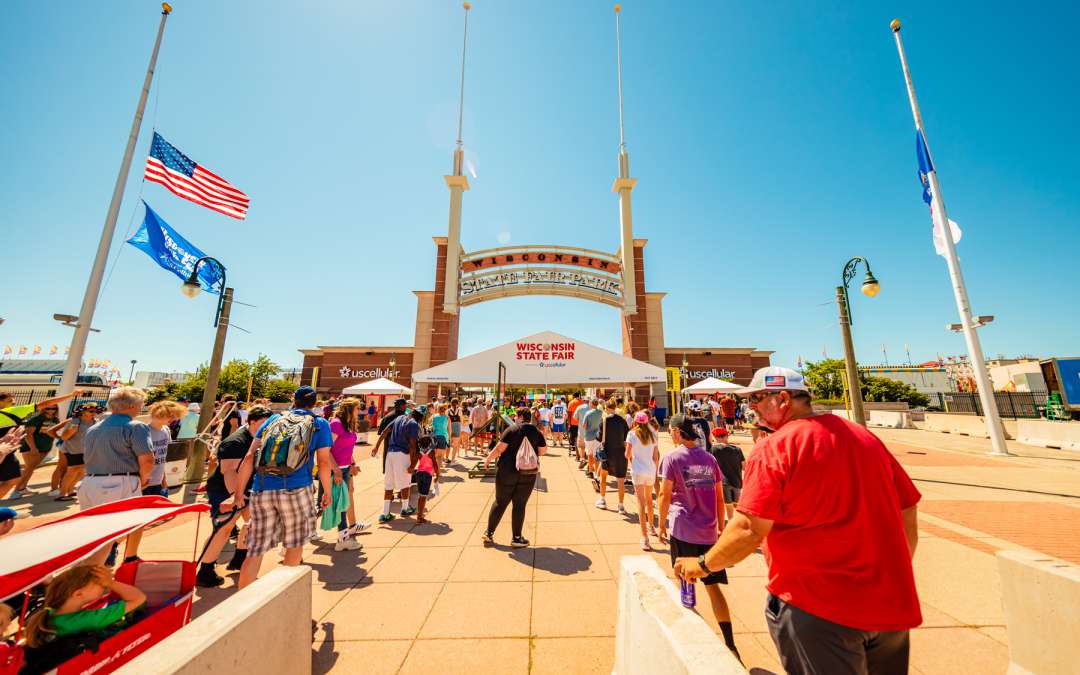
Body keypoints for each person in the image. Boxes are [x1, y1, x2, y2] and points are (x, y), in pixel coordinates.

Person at [674, 367, 922, 674]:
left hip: (816, 608)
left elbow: (749, 529)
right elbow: (907, 508)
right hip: (889, 609)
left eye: (756, 398)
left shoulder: (776, 446)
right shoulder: (864, 437)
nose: (750, 407)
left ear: (782, 398)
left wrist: (702, 564)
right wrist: (892, 572)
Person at [234, 386, 333, 589]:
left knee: (255, 550)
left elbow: (250, 456)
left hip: (261, 488)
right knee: (294, 545)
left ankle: (241, 606)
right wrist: (327, 492)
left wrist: (238, 493)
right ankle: (285, 599)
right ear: (314, 404)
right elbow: (323, 463)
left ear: (293, 401)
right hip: (297, 487)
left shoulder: (272, 420)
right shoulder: (319, 424)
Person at [659, 413, 738, 657]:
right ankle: (730, 643)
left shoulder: (672, 458)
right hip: (707, 531)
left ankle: (689, 638)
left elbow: (664, 495)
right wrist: (721, 523)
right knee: (713, 586)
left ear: (678, 433)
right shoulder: (708, 458)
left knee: (683, 580)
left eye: (671, 430)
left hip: (683, 528)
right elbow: (717, 495)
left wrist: (661, 524)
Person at [195, 405, 274, 587]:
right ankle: (205, 571)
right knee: (224, 528)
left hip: (246, 489)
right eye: (263, 423)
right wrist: (236, 497)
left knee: (251, 525)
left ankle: (239, 559)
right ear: (252, 422)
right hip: (224, 490)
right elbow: (229, 471)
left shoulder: (261, 439)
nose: (267, 427)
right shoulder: (234, 442)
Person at [79, 387, 155, 566]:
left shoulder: (94, 428)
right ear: (130, 406)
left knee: (95, 528)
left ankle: (97, 562)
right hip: (120, 481)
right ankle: (122, 557)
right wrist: (144, 478)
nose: (141, 408)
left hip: (89, 482)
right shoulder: (135, 427)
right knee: (130, 523)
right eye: (140, 404)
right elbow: (147, 458)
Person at [24, 565, 146, 648]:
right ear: (78, 594)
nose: (105, 586)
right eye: (100, 583)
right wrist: (112, 583)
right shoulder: (87, 620)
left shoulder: (50, 614)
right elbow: (138, 598)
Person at [480, 407, 546, 547]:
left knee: (500, 502)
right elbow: (542, 451)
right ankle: (516, 538)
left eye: (516, 416)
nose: (515, 418)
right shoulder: (536, 431)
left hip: (507, 472)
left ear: (520, 417)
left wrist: (488, 460)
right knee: (520, 505)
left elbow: (499, 448)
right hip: (527, 473)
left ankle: (489, 533)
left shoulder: (512, 430)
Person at [0, 390, 79, 500]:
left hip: (9, 450)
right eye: (9, 400)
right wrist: (71, 395)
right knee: (17, 476)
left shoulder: (54, 419)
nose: (14, 402)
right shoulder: (13, 412)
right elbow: (45, 403)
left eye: (13, 399)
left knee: (17, 475)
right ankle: (18, 490)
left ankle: (21, 488)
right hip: (12, 450)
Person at [370, 407, 423, 523]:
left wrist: (376, 447)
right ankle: (405, 508)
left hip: (390, 453)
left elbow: (385, 432)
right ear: (419, 418)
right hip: (403, 454)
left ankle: (385, 513)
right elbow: (412, 445)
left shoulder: (399, 418)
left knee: (389, 484)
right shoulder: (413, 424)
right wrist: (412, 464)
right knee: (405, 483)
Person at [328, 398, 367, 551]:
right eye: (358, 409)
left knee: (341, 504)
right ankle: (342, 539)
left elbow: (348, 449)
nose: (360, 412)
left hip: (345, 469)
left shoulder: (348, 425)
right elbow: (326, 450)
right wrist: (336, 469)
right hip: (335, 470)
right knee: (330, 505)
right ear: (350, 409)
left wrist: (352, 464)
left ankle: (343, 537)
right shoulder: (336, 424)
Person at [9, 402, 61, 498]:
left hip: (45, 447)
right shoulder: (37, 419)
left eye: (53, 408)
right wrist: (33, 448)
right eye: (47, 408)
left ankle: (22, 488)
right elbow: (29, 434)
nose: (50, 411)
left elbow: (52, 433)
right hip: (32, 448)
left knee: (31, 468)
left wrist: (60, 438)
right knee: (29, 469)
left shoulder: (55, 420)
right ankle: (16, 491)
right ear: (43, 409)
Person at [50, 404, 101, 501]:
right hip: (73, 450)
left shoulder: (95, 422)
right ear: (82, 412)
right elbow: (64, 437)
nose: (94, 413)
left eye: (95, 411)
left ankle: (70, 490)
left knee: (81, 472)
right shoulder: (75, 421)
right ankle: (62, 494)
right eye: (91, 411)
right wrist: (73, 429)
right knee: (72, 471)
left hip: (86, 450)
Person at [626, 410, 660, 550]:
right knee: (649, 501)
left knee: (641, 503)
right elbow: (656, 456)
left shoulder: (632, 434)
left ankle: (644, 538)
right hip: (650, 470)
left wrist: (632, 458)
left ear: (635, 421)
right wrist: (655, 470)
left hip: (638, 470)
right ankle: (651, 527)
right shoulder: (653, 434)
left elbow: (627, 453)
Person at [594, 399, 630, 512]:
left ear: (606, 408)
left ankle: (603, 500)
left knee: (603, 477)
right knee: (620, 480)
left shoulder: (604, 421)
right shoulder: (622, 421)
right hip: (620, 453)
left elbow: (599, 437)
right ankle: (621, 505)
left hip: (607, 452)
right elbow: (626, 437)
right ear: (615, 408)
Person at [708, 427, 745, 520]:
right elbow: (744, 466)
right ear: (726, 436)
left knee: (728, 506)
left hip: (723, 483)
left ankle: (731, 524)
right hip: (737, 482)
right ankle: (739, 524)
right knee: (737, 506)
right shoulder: (737, 449)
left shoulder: (713, 450)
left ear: (715, 437)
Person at [413, 435, 440, 524]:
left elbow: (414, 463)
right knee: (423, 497)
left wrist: (409, 469)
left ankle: (419, 515)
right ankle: (419, 517)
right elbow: (435, 464)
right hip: (427, 475)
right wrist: (437, 475)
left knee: (421, 496)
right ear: (430, 443)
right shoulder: (431, 452)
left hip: (419, 474)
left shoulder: (419, 453)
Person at [580, 398, 603, 478]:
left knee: (589, 455)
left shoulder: (588, 413)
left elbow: (584, 426)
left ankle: (590, 471)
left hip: (589, 436)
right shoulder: (601, 413)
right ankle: (597, 472)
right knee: (596, 455)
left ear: (592, 404)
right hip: (598, 436)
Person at [567, 394, 584, 458]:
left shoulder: (571, 402)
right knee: (580, 438)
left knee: (574, 438)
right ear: (579, 396)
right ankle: (580, 453)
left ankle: (577, 453)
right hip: (581, 423)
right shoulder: (582, 402)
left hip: (573, 423)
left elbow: (569, 414)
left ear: (573, 396)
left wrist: (568, 423)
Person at [447, 398, 463, 463]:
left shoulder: (447, 411)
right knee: (455, 445)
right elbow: (461, 419)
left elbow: (446, 419)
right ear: (457, 403)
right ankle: (453, 460)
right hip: (457, 427)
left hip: (449, 427)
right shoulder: (459, 410)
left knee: (448, 444)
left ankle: (446, 458)